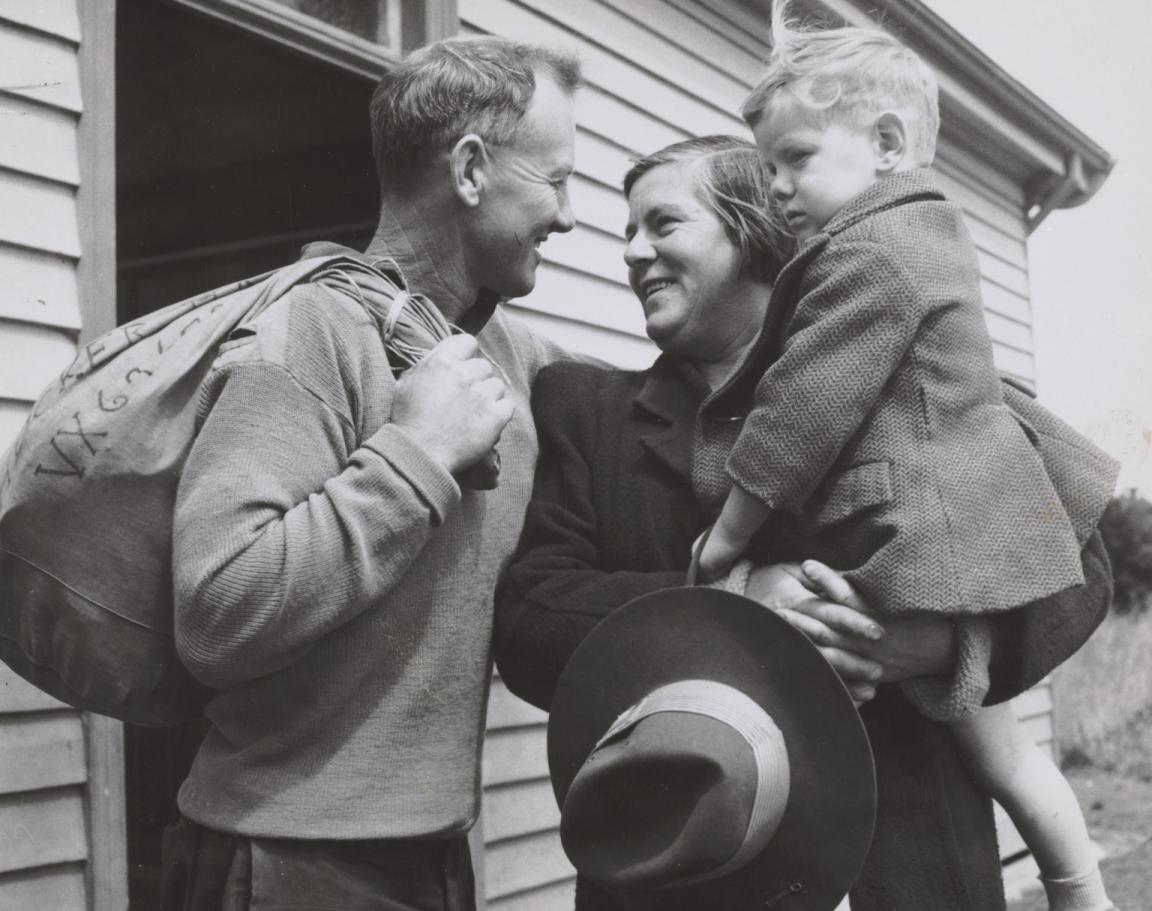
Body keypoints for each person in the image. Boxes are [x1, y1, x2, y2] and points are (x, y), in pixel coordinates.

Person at [494, 134, 1115, 911]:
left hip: (913, 874)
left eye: (661, 224)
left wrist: (936, 643)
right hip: (685, 883)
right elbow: (530, 617)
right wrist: (740, 610)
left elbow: (1081, 564)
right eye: (628, 230)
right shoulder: (585, 413)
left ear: (753, 230)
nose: (629, 252)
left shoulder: (910, 377)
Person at [694, 4, 1118, 909]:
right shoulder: (921, 235)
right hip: (957, 529)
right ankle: (1080, 888)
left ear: (887, 143)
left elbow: (803, 409)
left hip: (912, 527)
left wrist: (729, 533)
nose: (773, 187)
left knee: (842, 683)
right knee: (1001, 751)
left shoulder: (874, 252)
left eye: (795, 159)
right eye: (766, 167)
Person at [161, 36, 581, 910]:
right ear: (470, 169)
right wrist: (418, 455)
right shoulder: (306, 334)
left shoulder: (521, 357)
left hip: (431, 856)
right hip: (282, 857)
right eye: (556, 181)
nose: (569, 217)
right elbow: (215, 614)